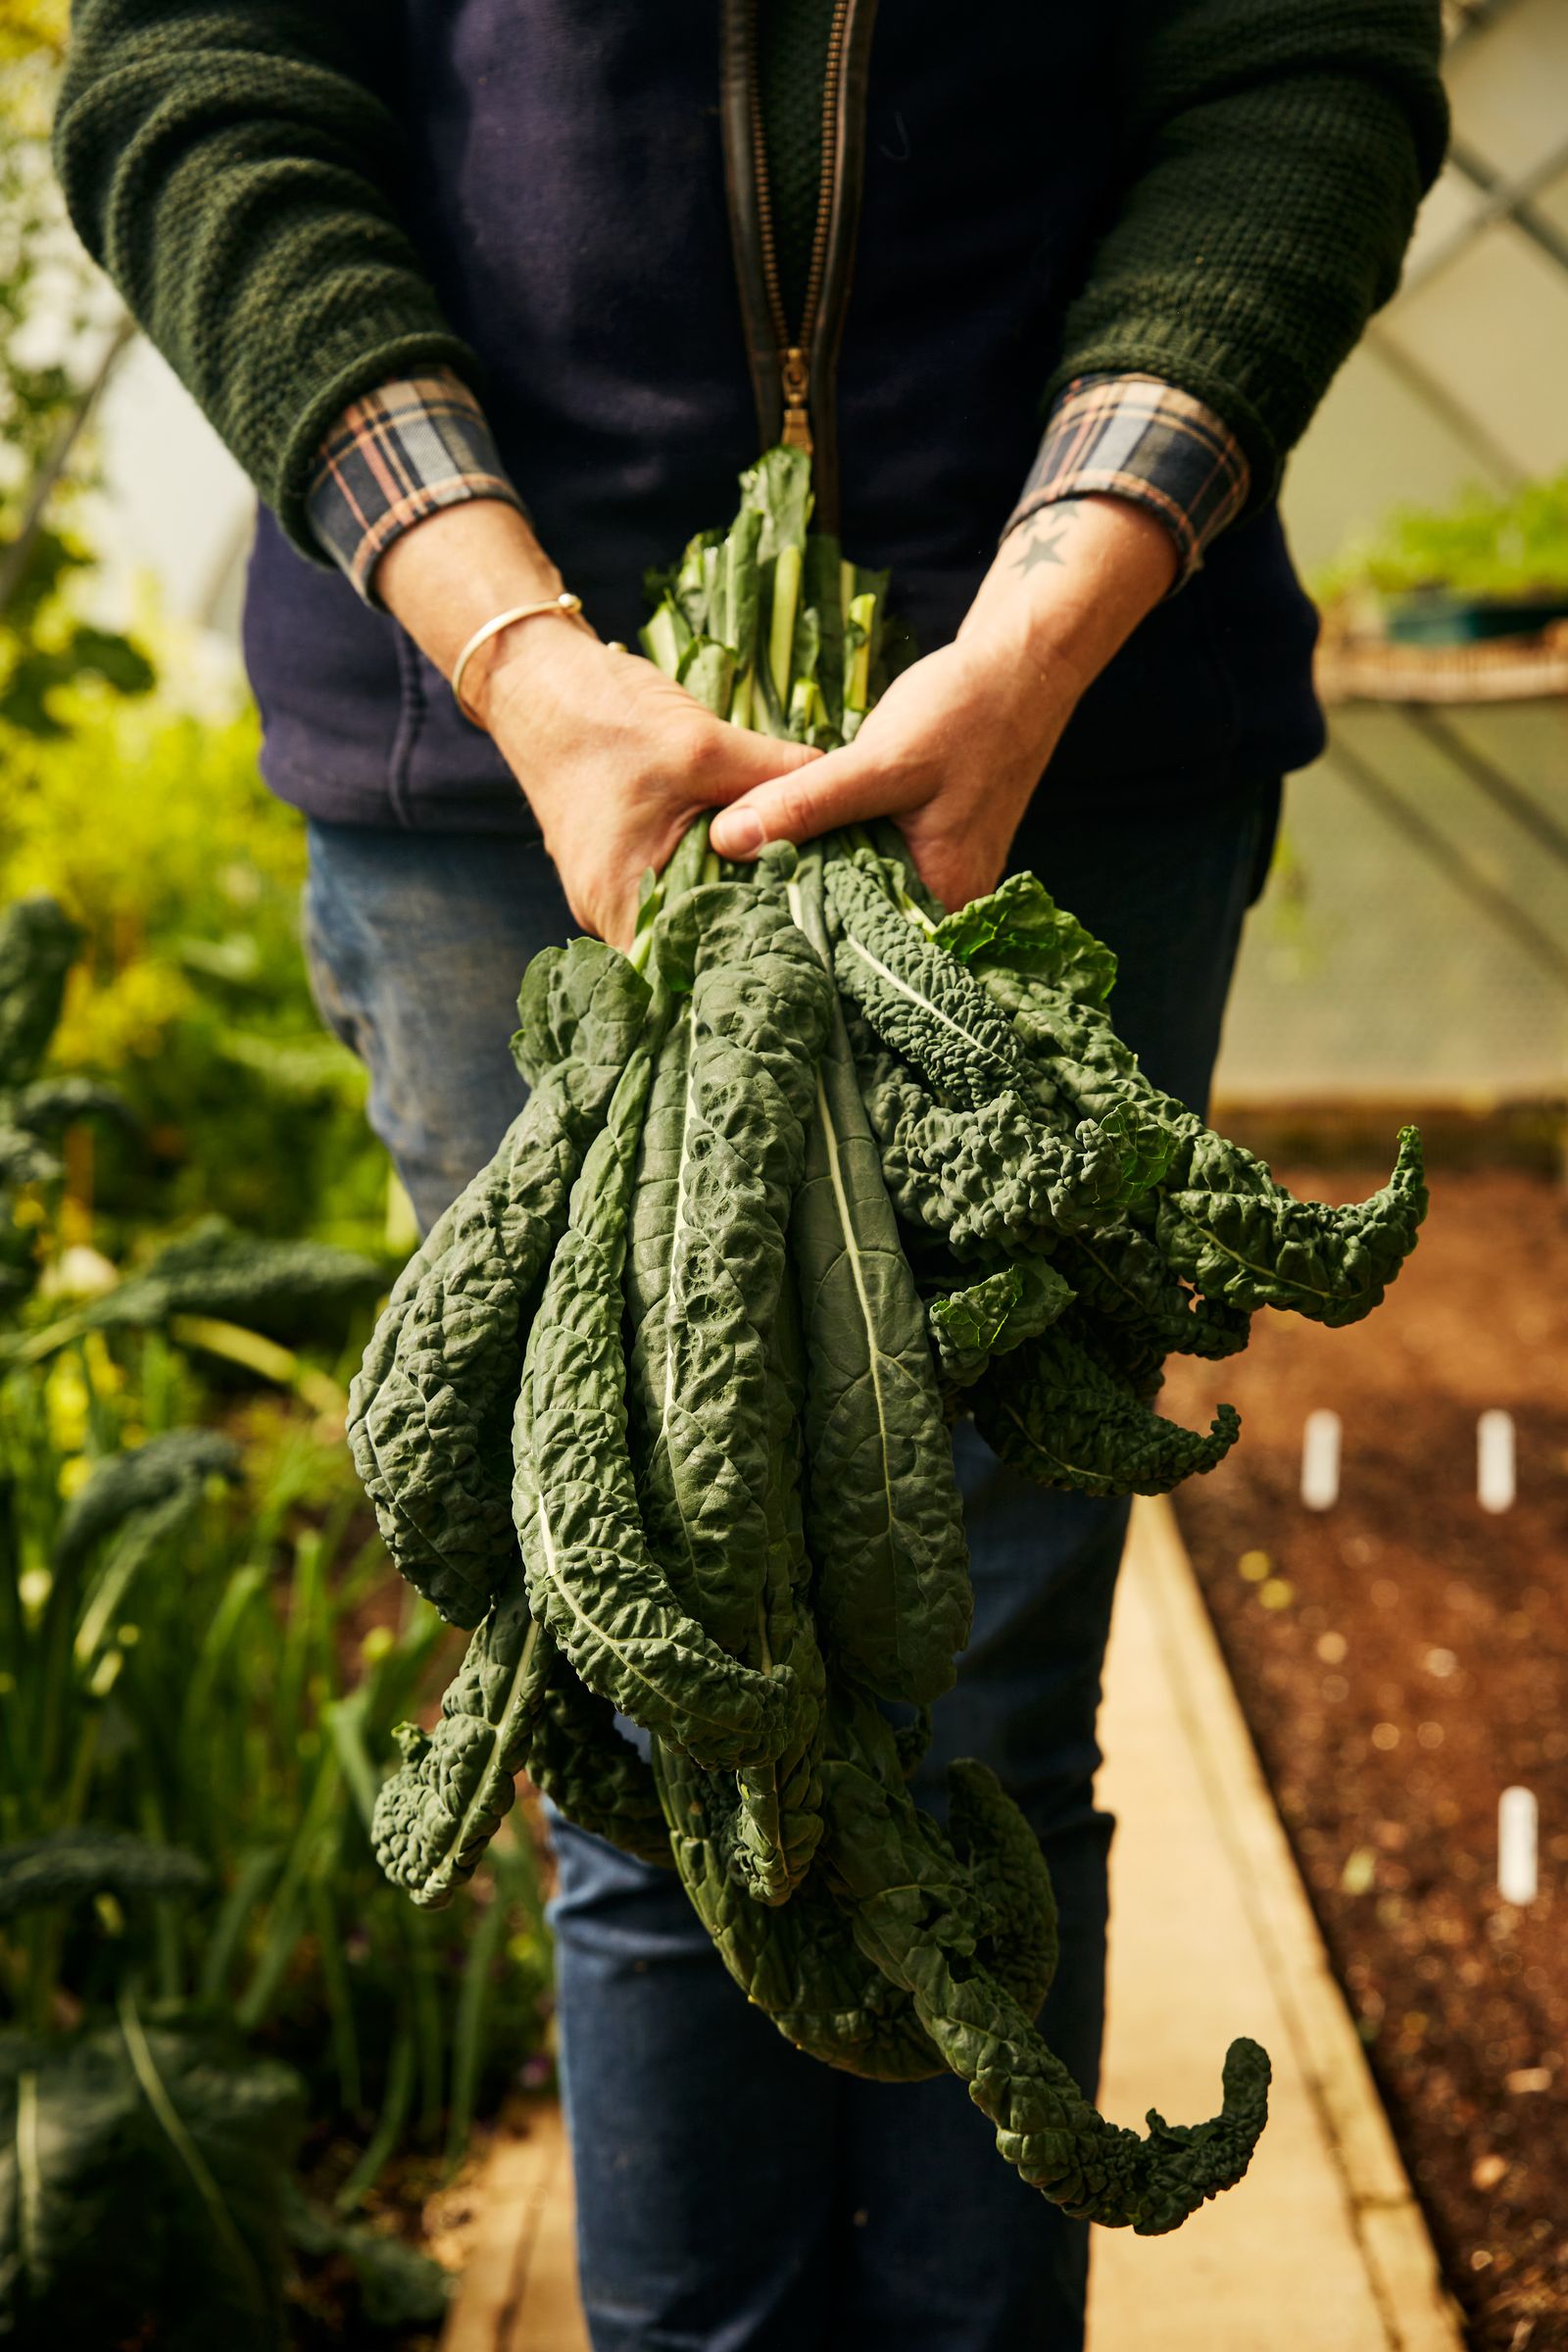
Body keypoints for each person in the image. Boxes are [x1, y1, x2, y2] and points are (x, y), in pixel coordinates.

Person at [55, 6, 1446, 2344]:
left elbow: (1294, 65)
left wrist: (1040, 614)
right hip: (499, 749)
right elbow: (198, 78)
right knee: (636, 1692)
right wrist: (511, 643)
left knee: (983, 1684)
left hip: (1064, 716)